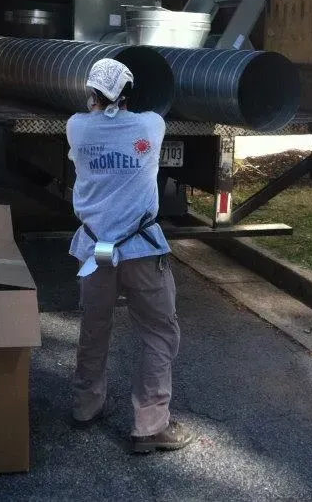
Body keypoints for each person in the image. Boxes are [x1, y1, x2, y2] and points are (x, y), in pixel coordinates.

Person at [66, 59, 194, 454]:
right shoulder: (150, 126)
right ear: (127, 94)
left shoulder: (76, 126)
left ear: (90, 93)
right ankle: (150, 425)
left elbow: (92, 117)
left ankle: (87, 406)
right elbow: (146, 114)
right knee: (158, 332)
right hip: (141, 250)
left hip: (94, 251)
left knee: (94, 327)